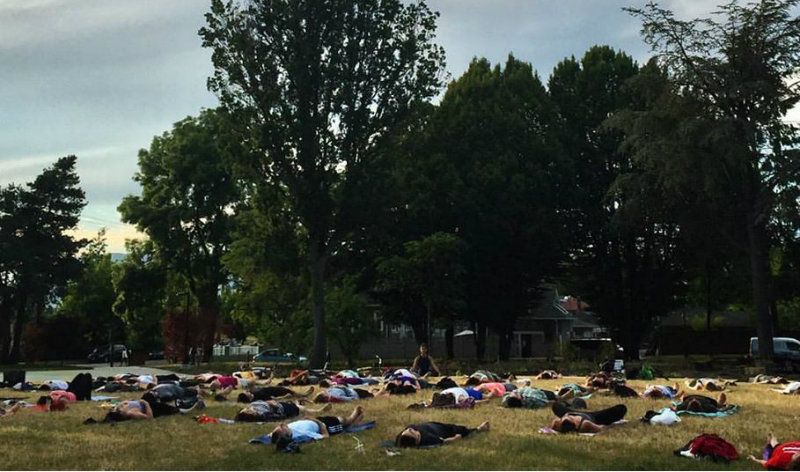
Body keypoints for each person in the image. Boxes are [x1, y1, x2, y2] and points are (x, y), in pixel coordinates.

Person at [269, 405, 366, 451]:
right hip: (324, 426)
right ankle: (353, 419)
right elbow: (325, 436)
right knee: (342, 421)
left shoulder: (279, 433)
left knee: (338, 418)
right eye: (282, 427)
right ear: (287, 435)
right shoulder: (303, 434)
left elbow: (273, 435)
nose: (282, 425)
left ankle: (353, 420)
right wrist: (318, 422)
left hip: (314, 420)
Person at [395, 421, 490, 448]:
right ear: (417, 438)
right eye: (411, 431)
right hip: (445, 430)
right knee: (461, 430)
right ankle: (479, 429)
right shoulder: (429, 439)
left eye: (408, 429)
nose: (410, 429)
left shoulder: (400, 438)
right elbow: (443, 441)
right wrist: (455, 438)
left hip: (432, 425)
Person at [550, 402, 627, 434]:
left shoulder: (558, 423)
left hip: (571, 411)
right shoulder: (585, 424)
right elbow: (602, 428)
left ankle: (570, 402)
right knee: (621, 408)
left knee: (555, 405)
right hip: (593, 417)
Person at [234, 399, 331, 422]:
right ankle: (319, 411)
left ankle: (298, 402)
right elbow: (279, 416)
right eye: (249, 411)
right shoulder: (263, 414)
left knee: (294, 403)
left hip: (278, 403)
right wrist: (274, 406)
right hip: (284, 408)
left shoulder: (249, 408)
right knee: (301, 409)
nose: (248, 409)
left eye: (246, 409)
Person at [237, 386, 314, 403]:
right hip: (277, 393)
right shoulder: (258, 398)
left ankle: (304, 395)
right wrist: (284, 397)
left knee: (289, 390)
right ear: (248, 397)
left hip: (273, 389)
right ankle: (304, 395)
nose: (247, 392)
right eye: (246, 393)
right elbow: (272, 399)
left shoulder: (253, 393)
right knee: (290, 393)